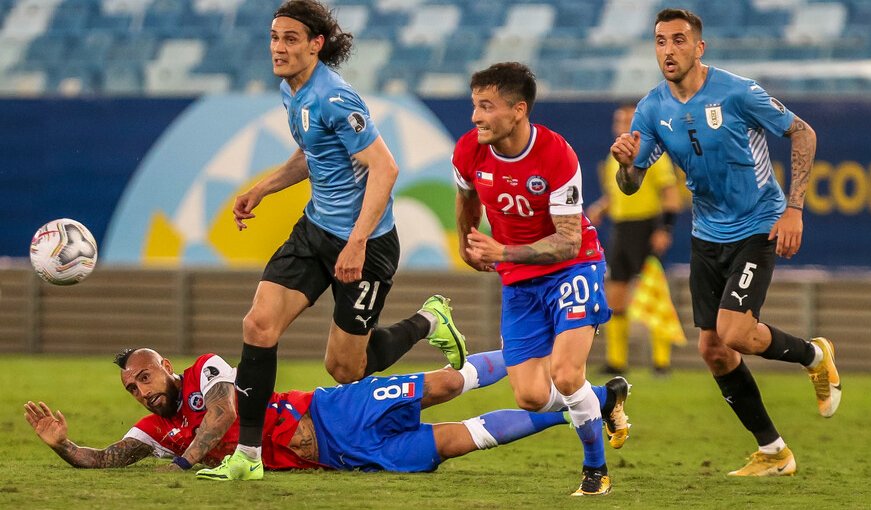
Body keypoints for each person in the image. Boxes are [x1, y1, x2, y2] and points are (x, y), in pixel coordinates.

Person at [215, 0, 467, 480]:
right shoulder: (291, 92)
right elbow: (312, 154)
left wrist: (356, 244)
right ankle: (248, 456)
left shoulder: (335, 97)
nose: (279, 47)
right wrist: (261, 189)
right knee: (258, 326)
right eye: (274, 37)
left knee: (345, 369)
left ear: (316, 44)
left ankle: (427, 321)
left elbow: (386, 167)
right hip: (313, 233)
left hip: (366, 244)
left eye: (291, 38)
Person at [611, 8, 841, 477]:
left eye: (678, 40)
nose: (668, 50)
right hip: (706, 234)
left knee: (736, 332)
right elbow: (633, 184)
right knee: (714, 351)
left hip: (758, 225)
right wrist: (625, 164)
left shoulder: (737, 91)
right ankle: (775, 452)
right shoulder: (652, 108)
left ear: (699, 47)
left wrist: (794, 208)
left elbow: (803, 132)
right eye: (660, 41)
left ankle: (816, 355)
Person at [24, 348, 630, 478]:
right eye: (133, 388)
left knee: (445, 383)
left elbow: (217, 419)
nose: (142, 390)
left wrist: (182, 464)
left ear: (165, 368)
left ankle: (534, 349)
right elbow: (100, 459)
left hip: (337, 408)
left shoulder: (205, 372)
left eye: (145, 377)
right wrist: (61, 445)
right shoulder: (156, 430)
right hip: (346, 457)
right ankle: (594, 403)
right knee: (456, 440)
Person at [453, 62, 629, 496]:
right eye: (474, 105)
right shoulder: (468, 150)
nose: (475, 116)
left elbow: (569, 241)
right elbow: (466, 199)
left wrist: (504, 252)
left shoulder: (556, 154)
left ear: (518, 109)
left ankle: (596, 472)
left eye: (486, 106)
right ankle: (604, 400)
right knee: (530, 396)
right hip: (519, 280)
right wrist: (465, 242)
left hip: (573, 267)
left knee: (567, 374)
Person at [587, 102, 683, 375]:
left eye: (628, 120)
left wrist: (665, 229)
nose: (622, 125)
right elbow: (618, 193)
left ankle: (661, 362)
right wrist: (601, 208)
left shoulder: (654, 155)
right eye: (619, 120)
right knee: (615, 293)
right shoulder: (613, 159)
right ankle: (617, 361)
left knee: (652, 294)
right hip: (621, 228)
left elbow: (670, 193)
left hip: (646, 227)